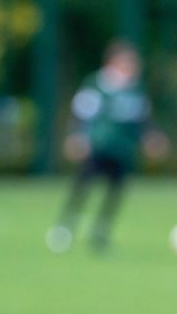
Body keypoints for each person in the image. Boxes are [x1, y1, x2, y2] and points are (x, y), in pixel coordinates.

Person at [46, 39, 167, 253]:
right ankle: (65, 227)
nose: (134, 67)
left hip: (121, 150)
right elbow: (81, 113)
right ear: (114, 62)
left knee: (115, 192)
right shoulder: (96, 84)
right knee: (82, 187)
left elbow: (142, 120)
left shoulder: (134, 90)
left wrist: (151, 137)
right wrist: (76, 136)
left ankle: (100, 232)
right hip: (98, 146)